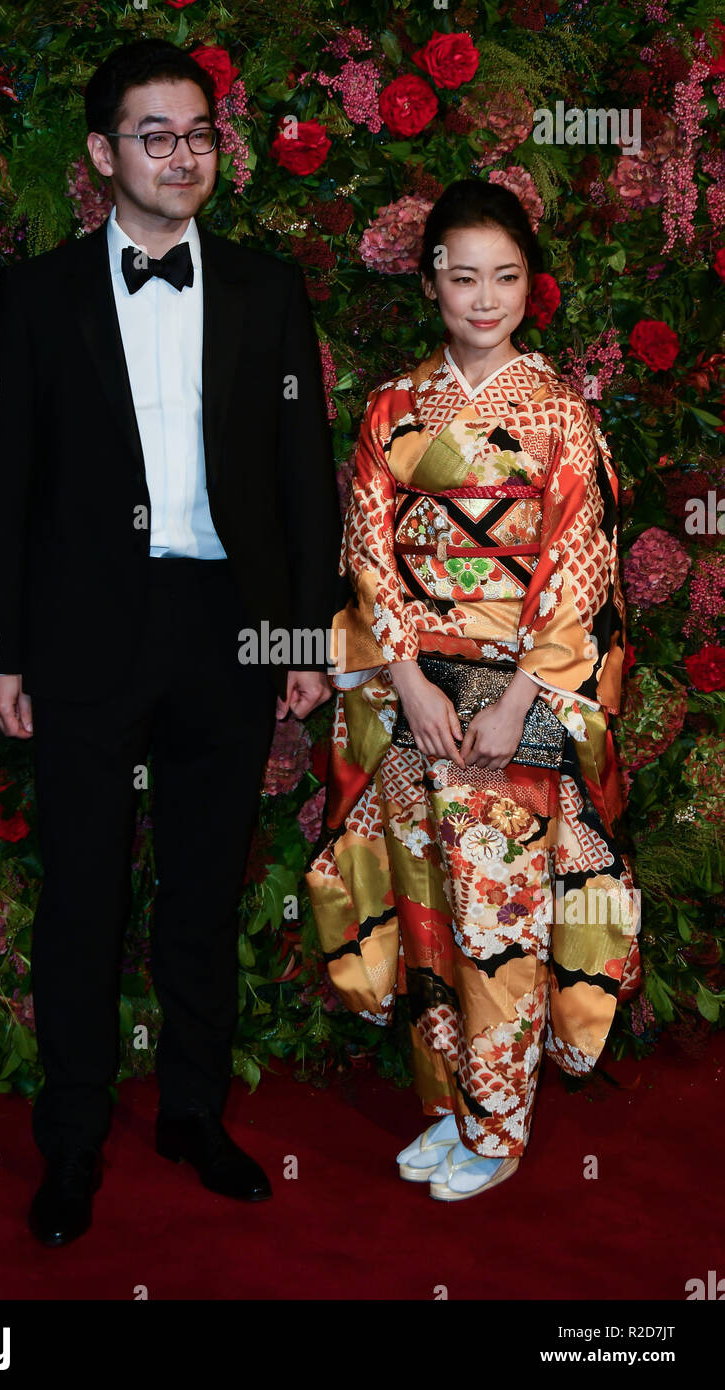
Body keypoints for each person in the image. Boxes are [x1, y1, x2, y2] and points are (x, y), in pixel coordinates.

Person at [0, 38, 340, 1245]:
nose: (181, 155)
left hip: (225, 628)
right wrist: (0, 648)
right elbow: (6, 484)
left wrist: (299, 626)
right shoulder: (36, 298)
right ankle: (70, 1138)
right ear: (101, 155)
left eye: (197, 133)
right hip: (83, 633)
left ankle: (193, 1112)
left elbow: (302, 474)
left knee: (198, 893)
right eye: (154, 134)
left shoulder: (265, 289)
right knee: (80, 894)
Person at [305, 178, 640, 1201]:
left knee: (497, 916)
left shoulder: (556, 414)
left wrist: (516, 699)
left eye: (503, 276)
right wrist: (401, 676)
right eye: (461, 277)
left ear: (530, 285)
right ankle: (446, 1104)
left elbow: (579, 561)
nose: (482, 297)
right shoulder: (391, 409)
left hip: (511, 695)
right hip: (417, 693)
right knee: (425, 913)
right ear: (428, 283)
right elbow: (368, 547)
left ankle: (497, 1128)